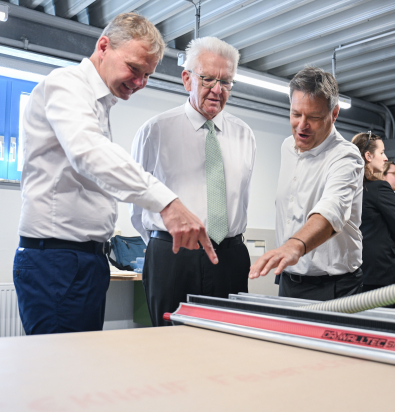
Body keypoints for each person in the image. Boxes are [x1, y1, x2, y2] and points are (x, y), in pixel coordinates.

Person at [13, 13, 216, 335]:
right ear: (103, 46)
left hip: (86, 257)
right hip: (56, 258)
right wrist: (167, 203)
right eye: (134, 69)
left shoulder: (100, 103)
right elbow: (88, 153)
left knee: (79, 367)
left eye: (147, 75)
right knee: (60, 369)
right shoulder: (65, 85)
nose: (139, 82)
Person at [130, 37, 255, 327]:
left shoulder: (244, 135)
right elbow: (138, 206)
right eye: (208, 78)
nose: (217, 89)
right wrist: (166, 246)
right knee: (170, 349)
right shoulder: (155, 131)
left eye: (226, 82)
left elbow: (241, 200)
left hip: (230, 258)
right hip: (173, 258)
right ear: (187, 79)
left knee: (229, 348)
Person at [248, 66, 364, 301]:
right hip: (289, 282)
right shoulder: (286, 148)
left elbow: (332, 209)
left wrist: (295, 245)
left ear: (334, 114)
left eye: (314, 117)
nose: (302, 125)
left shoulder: (346, 157)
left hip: (334, 287)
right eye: (296, 114)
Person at [352, 132, 395, 297]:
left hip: (356, 270)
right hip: (384, 272)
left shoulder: (348, 187)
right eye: (382, 152)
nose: (385, 157)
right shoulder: (379, 188)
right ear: (368, 156)